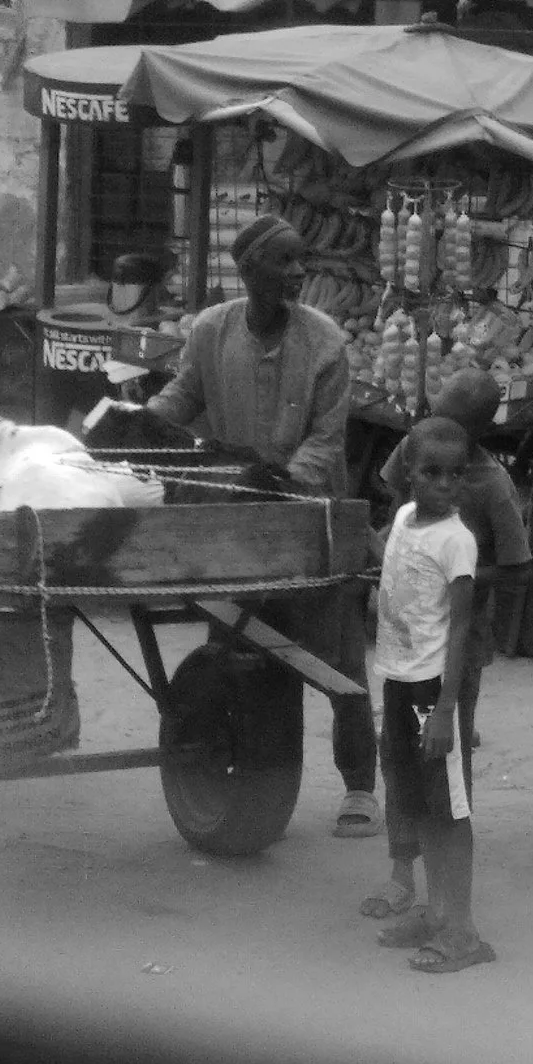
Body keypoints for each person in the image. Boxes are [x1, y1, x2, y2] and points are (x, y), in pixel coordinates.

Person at [141, 215, 380, 836]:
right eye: (286, 262)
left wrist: (283, 482)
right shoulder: (211, 329)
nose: (299, 273)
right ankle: (253, 775)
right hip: (236, 528)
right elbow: (182, 398)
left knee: (339, 663)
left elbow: (327, 442)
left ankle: (359, 789)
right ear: (249, 271)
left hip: (311, 529)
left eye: (303, 261)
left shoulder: (324, 340)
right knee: (247, 652)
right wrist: (137, 423)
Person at [370, 416, 495, 974]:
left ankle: (464, 930)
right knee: (414, 799)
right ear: (409, 474)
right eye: (432, 472)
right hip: (397, 680)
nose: (445, 484)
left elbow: (462, 630)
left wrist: (446, 710)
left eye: (455, 475)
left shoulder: (457, 541)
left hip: (432, 692)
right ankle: (434, 909)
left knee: (448, 808)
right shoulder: (402, 518)